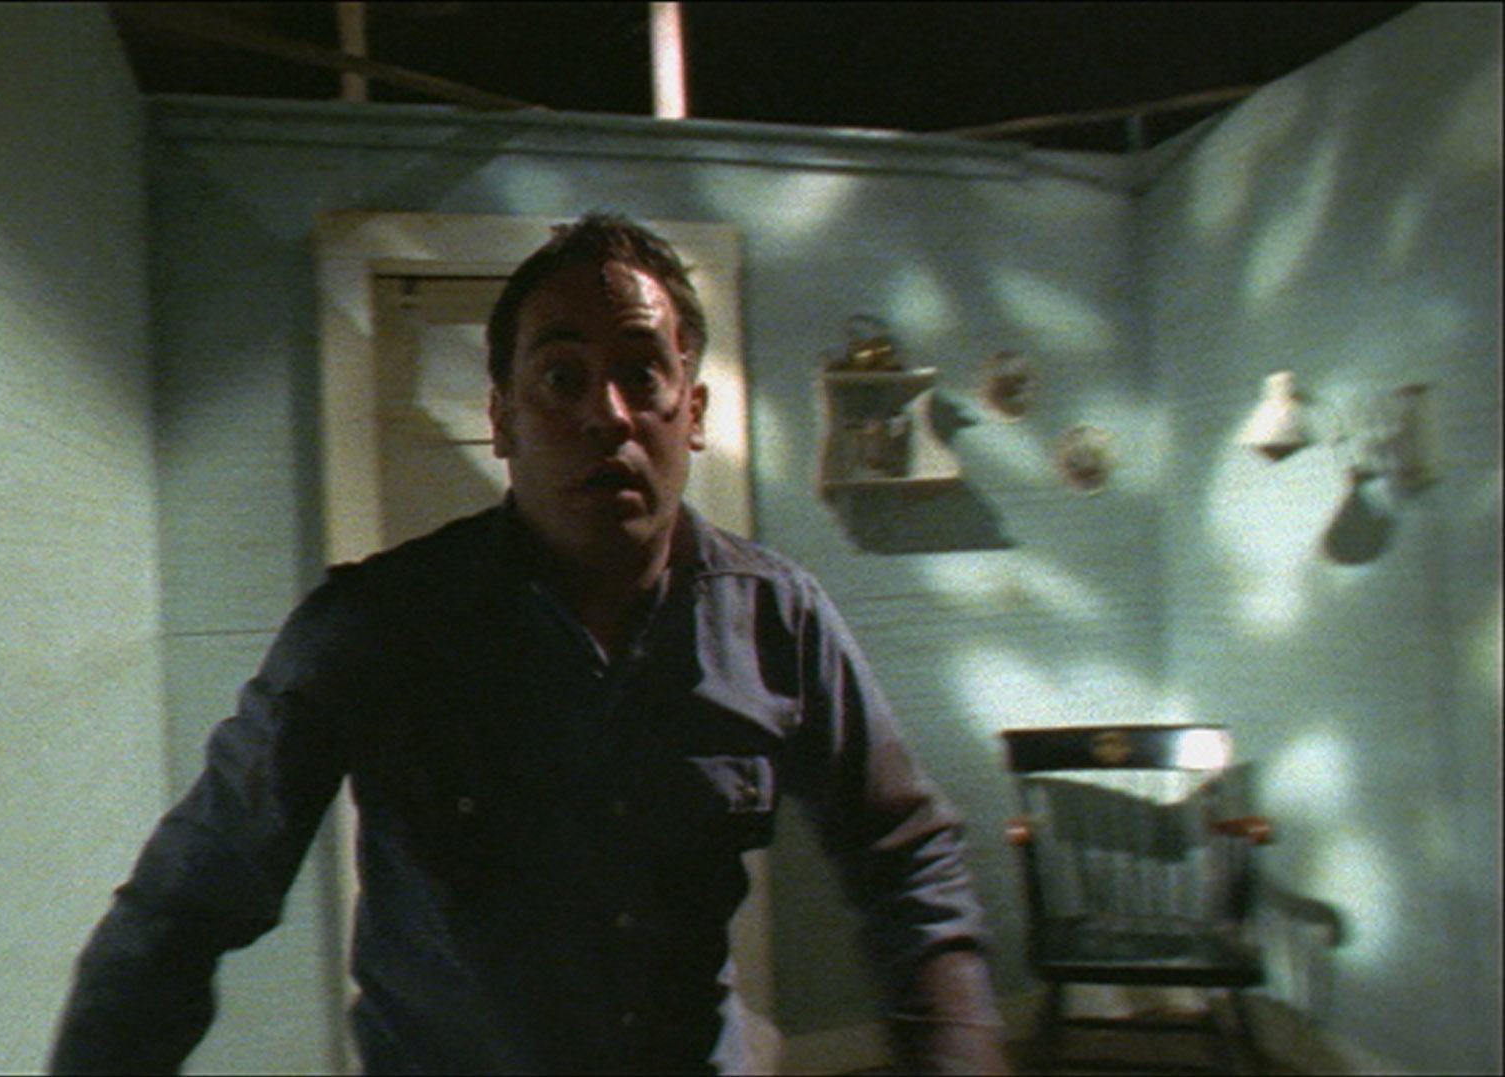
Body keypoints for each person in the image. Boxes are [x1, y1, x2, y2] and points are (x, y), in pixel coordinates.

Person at [49, 213, 1009, 1075]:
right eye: (561, 377)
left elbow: (907, 856)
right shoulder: (375, 628)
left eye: (643, 372)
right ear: (503, 419)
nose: (607, 414)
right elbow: (180, 910)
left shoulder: (778, 619)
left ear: (693, 414)